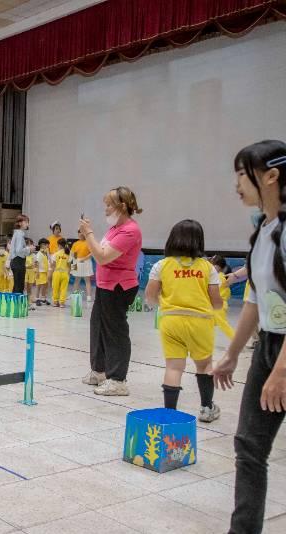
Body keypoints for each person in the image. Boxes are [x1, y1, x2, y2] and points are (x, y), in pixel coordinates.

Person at [212, 140, 286, 534]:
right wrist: (233, 353)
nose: (237, 183)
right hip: (270, 346)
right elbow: (256, 300)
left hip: (284, 355)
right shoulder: (263, 229)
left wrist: (282, 371)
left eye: (242, 174)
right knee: (249, 447)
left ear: (271, 176)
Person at [145, 220, 222, 420]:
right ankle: (207, 408)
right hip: (201, 322)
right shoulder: (208, 267)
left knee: (173, 367)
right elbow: (216, 302)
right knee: (204, 365)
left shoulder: (161, 265)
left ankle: (170, 414)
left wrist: (165, 304)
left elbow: (150, 297)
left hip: (171, 321)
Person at [79, 186, 143, 396]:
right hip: (105, 285)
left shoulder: (130, 230)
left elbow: (103, 256)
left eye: (109, 205)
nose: (105, 209)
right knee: (98, 326)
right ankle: (99, 370)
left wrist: (88, 233)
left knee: (115, 331)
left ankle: (117, 379)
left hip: (119, 287)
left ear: (122, 206)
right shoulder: (115, 229)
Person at [210, 255, 236, 340]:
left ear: (217, 266)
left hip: (218, 305)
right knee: (205, 322)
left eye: (212, 264)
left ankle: (235, 340)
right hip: (215, 304)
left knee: (223, 325)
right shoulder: (219, 276)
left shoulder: (218, 277)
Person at [9, 214, 35, 293]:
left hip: (16, 261)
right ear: (20, 223)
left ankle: (15, 304)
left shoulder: (17, 233)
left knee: (17, 285)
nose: (27, 224)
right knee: (19, 286)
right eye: (26, 222)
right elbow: (19, 250)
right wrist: (29, 248)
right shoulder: (20, 234)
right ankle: (17, 304)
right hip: (18, 261)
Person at [70, 229, 94, 301]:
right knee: (77, 279)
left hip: (86, 262)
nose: (81, 234)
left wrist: (84, 258)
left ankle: (89, 296)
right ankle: (74, 294)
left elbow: (92, 252)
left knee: (87, 280)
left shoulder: (88, 242)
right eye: (79, 232)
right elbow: (72, 254)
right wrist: (74, 263)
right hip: (77, 262)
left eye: (82, 232)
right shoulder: (75, 244)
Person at [51, 239, 71, 307]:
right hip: (65, 273)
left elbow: (53, 265)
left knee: (55, 288)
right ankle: (62, 303)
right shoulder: (68, 254)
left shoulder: (55, 254)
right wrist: (68, 273)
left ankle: (55, 302)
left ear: (59, 245)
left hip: (56, 273)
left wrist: (53, 273)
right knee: (63, 288)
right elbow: (69, 265)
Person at [34, 238, 51, 306]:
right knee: (38, 286)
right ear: (42, 245)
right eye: (46, 245)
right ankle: (37, 299)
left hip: (45, 272)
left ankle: (43, 298)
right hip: (40, 272)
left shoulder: (45, 253)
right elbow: (36, 263)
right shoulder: (39, 254)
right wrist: (37, 272)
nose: (47, 246)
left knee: (45, 286)